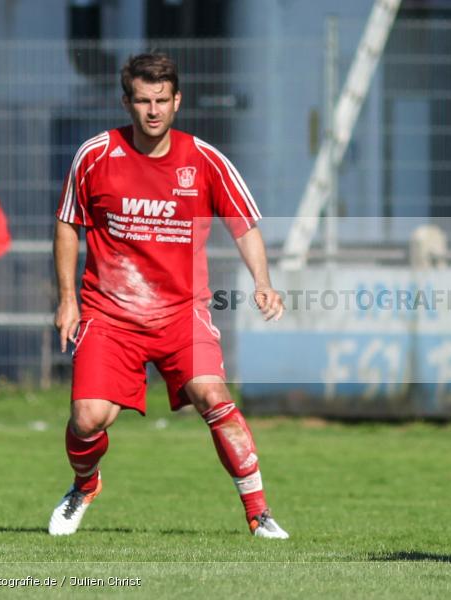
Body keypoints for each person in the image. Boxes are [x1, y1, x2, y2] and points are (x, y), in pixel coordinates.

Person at [49, 53, 289, 539]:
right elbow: (67, 224)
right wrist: (68, 299)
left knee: (213, 395)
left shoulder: (204, 160)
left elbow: (244, 226)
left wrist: (263, 282)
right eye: (142, 100)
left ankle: (259, 514)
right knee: (88, 417)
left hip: (182, 313)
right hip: (111, 316)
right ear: (127, 102)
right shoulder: (96, 154)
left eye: (161, 100)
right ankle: (84, 485)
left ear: (177, 101)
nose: (152, 111)